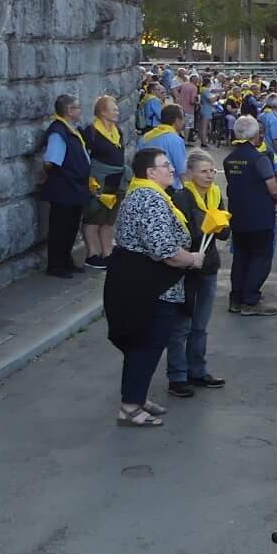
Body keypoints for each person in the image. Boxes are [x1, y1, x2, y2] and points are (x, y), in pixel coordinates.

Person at [103, 149, 203, 426]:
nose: (171, 169)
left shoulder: (146, 194)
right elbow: (165, 251)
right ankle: (130, 407)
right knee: (145, 344)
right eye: (165, 165)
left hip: (147, 283)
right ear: (150, 172)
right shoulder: (149, 198)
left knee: (147, 343)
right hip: (149, 287)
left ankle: (136, 396)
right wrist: (193, 259)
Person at [165, 150, 227, 398]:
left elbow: (223, 233)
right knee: (182, 324)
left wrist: (221, 225)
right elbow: (183, 233)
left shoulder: (215, 195)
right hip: (186, 268)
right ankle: (177, 375)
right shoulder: (182, 197)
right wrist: (205, 228)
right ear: (189, 174)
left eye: (212, 170)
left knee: (200, 324)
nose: (210, 176)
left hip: (209, 266)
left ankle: (197, 370)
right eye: (203, 171)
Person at [223, 114, 277, 316]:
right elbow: (273, 188)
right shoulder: (259, 158)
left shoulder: (229, 159)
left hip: (238, 216)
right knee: (260, 258)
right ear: (256, 135)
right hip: (260, 217)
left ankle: (236, 298)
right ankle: (250, 300)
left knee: (240, 258)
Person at [38, 94, 89, 278]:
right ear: (69, 110)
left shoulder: (70, 129)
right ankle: (56, 264)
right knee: (60, 227)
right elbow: (51, 161)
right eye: (77, 107)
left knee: (71, 227)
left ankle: (66, 260)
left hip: (75, 187)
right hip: (64, 188)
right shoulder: (58, 132)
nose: (80, 110)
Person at [78, 94, 126, 271]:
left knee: (108, 220)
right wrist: (90, 181)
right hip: (98, 181)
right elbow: (85, 157)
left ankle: (107, 253)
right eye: (114, 108)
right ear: (102, 112)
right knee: (93, 217)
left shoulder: (117, 131)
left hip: (115, 180)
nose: (117, 111)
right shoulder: (90, 132)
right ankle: (92, 254)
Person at [140, 104, 188, 178]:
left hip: (147, 182)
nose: (184, 122)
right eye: (183, 118)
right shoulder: (175, 140)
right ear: (177, 121)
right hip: (168, 185)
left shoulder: (146, 137)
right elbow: (182, 170)